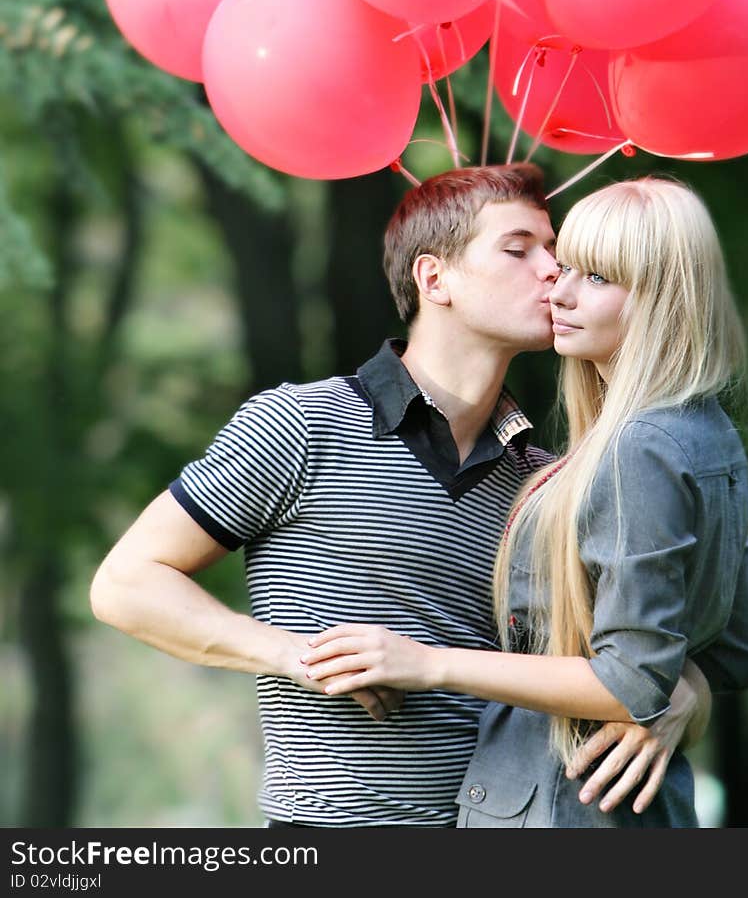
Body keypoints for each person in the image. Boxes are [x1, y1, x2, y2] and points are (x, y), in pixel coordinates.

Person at [90, 164, 711, 828]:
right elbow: (127, 585)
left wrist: (685, 702)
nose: (553, 270)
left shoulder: (552, 484)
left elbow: (655, 653)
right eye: (519, 247)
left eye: (555, 251)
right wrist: (297, 657)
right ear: (434, 277)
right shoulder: (301, 425)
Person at [299, 176, 748, 828]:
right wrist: (683, 690)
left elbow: (630, 683)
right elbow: (735, 650)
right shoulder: (708, 434)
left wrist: (428, 664)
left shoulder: (641, 447)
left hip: (564, 806)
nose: (560, 289)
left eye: (599, 278)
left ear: (662, 299)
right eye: (566, 266)